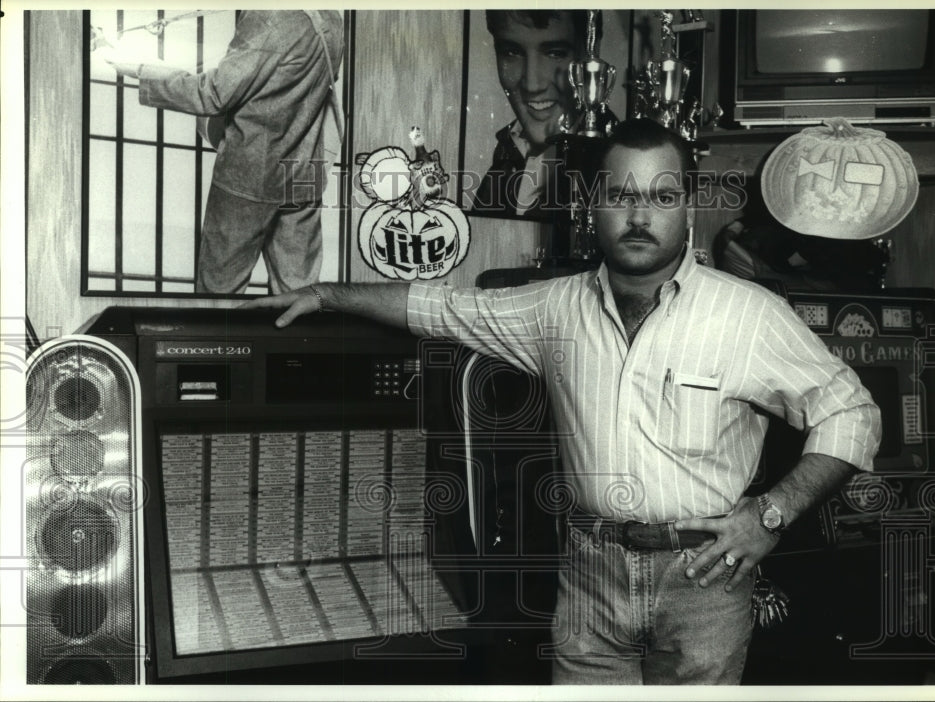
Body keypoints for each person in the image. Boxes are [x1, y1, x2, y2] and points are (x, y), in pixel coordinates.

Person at [244, 118, 881, 685]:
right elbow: (437, 307)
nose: (640, 215)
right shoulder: (555, 307)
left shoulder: (748, 316)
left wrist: (770, 515)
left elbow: (851, 412)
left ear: (688, 207)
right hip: (588, 576)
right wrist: (328, 294)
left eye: (661, 197)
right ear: (591, 205)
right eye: (620, 195)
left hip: (705, 580)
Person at [104, 11, 344, 294]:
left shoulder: (269, 19)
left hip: (249, 178)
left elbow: (214, 94)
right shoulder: (331, 18)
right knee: (298, 296)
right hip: (304, 175)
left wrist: (140, 69)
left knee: (218, 295)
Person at [471, 10, 594, 217]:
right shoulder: (507, 150)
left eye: (555, 53)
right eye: (512, 52)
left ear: (591, 50)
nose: (532, 85)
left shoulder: (613, 161)